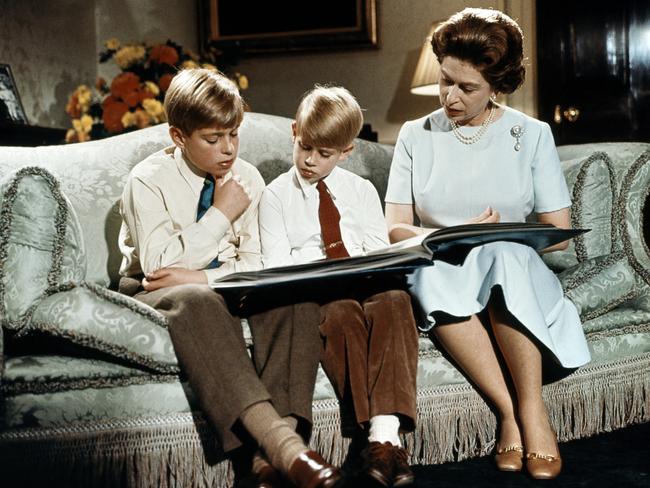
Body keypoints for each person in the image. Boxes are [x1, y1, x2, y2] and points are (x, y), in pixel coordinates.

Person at [384, 8, 591, 480]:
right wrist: (446, 236)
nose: (449, 97)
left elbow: (556, 231)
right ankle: (511, 414)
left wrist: (500, 235)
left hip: (512, 264)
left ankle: (534, 412)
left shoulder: (533, 134)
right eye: (444, 81)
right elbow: (395, 227)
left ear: (496, 85)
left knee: (503, 252)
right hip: (443, 262)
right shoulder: (416, 136)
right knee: (422, 271)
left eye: (466, 87)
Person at [118, 68, 341, 488]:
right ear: (178, 137)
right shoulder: (147, 180)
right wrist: (222, 212)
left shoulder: (249, 178)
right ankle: (287, 449)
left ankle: (266, 460)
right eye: (213, 138)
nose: (228, 149)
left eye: (234, 134)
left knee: (292, 295)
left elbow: (259, 263)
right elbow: (158, 269)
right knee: (194, 299)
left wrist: (205, 275)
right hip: (151, 289)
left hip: (220, 282)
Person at [259, 85, 419, 487]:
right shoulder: (275, 196)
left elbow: (378, 252)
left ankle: (382, 436)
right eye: (305, 147)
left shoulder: (361, 191)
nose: (310, 160)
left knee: (396, 300)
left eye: (324, 154)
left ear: (346, 152)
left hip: (365, 281)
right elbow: (278, 265)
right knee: (343, 314)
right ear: (294, 132)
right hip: (319, 293)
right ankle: (383, 447)